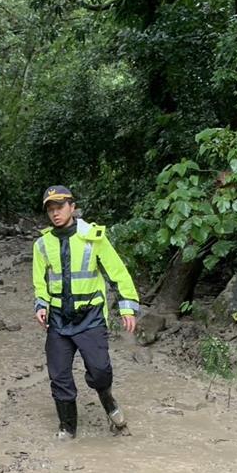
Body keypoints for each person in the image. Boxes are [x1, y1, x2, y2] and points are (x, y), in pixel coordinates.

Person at [32, 184, 139, 439]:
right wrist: (41, 304)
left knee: (100, 371)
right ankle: (67, 429)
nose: (55, 213)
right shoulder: (42, 244)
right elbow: (40, 281)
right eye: (50, 209)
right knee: (59, 376)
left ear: (72, 206)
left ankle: (108, 400)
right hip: (58, 320)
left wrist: (128, 306)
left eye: (60, 207)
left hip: (90, 317)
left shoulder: (94, 237)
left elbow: (118, 273)